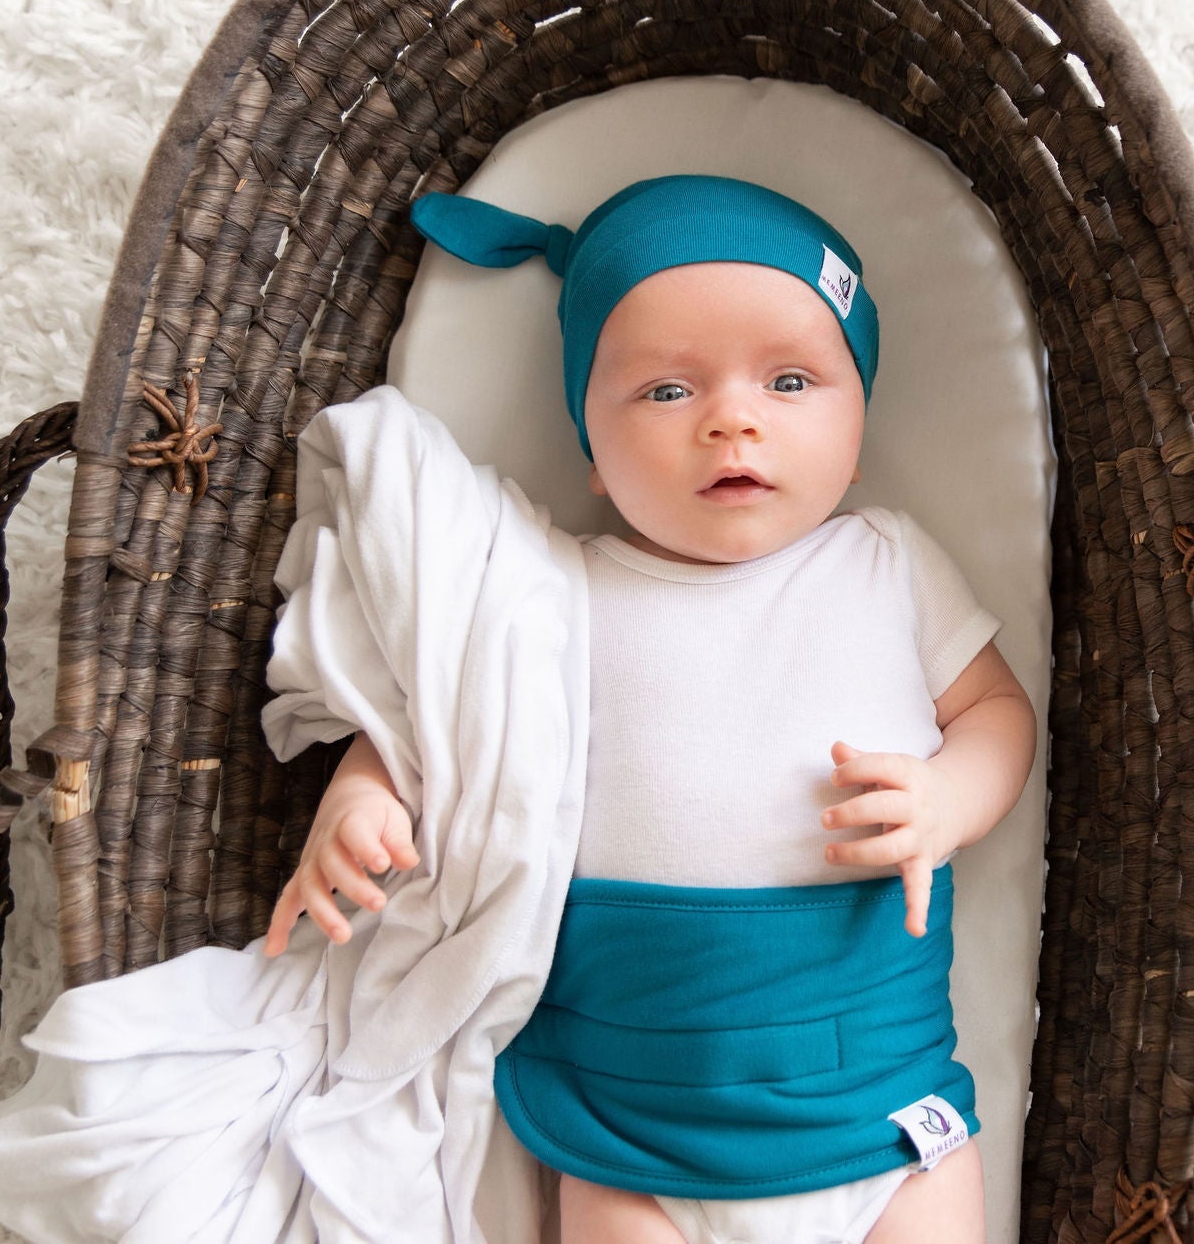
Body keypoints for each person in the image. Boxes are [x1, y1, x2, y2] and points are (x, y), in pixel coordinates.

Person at [261, 174, 1036, 1244]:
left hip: (879, 1107)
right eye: (666, 392)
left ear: (857, 430)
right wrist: (364, 792)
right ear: (589, 445)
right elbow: (443, 723)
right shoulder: (549, 586)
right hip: (628, 1119)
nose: (731, 418)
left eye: (791, 380)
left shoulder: (886, 562)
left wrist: (949, 796)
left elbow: (995, 709)